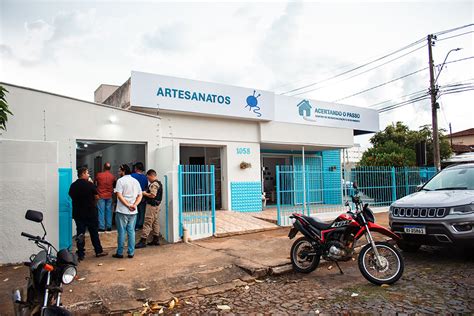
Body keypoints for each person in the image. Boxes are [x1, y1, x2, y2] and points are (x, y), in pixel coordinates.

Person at [68, 167, 108, 261]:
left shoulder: (73, 185)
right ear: (83, 174)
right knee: (94, 233)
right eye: (87, 173)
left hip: (78, 213)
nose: (88, 175)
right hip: (91, 213)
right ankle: (98, 251)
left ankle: (81, 254)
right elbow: (97, 196)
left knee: (80, 234)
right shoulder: (90, 185)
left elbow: (70, 195)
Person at [113, 164, 142, 259]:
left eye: (119, 170)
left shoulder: (120, 181)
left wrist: (127, 205)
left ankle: (120, 253)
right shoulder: (135, 181)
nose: (118, 172)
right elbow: (140, 195)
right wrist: (134, 205)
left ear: (123, 170)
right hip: (133, 211)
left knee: (121, 232)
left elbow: (119, 195)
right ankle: (131, 252)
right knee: (131, 232)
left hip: (122, 210)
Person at [136, 169, 163, 248]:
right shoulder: (159, 183)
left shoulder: (154, 184)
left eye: (148, 178)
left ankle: (143, 241)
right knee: (155, 222)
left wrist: (144, 193)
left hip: (151, 206)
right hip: (156, 206)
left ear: (152, 176)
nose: (148, 179)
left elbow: (152, 195)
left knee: (147, 222)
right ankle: (156, 239)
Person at [95, 162, 116, 232]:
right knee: (109, 211)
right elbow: (114, 186)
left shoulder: (99, 175)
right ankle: (109, 226)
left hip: (101, 195)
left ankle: (101, 227)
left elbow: (95, 183)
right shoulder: (112, 176)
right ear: (110, 168)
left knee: (101, 211)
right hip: (109, 195)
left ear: (103, 167)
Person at [131, 162, 148, 230]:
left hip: (133, 197)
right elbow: (146, 187)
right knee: (142, 211)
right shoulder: (145, 177)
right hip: (142, 197)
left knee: (134, 211)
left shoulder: (132, 176)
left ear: (135, 168)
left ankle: (134, 225)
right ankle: (140, 225)